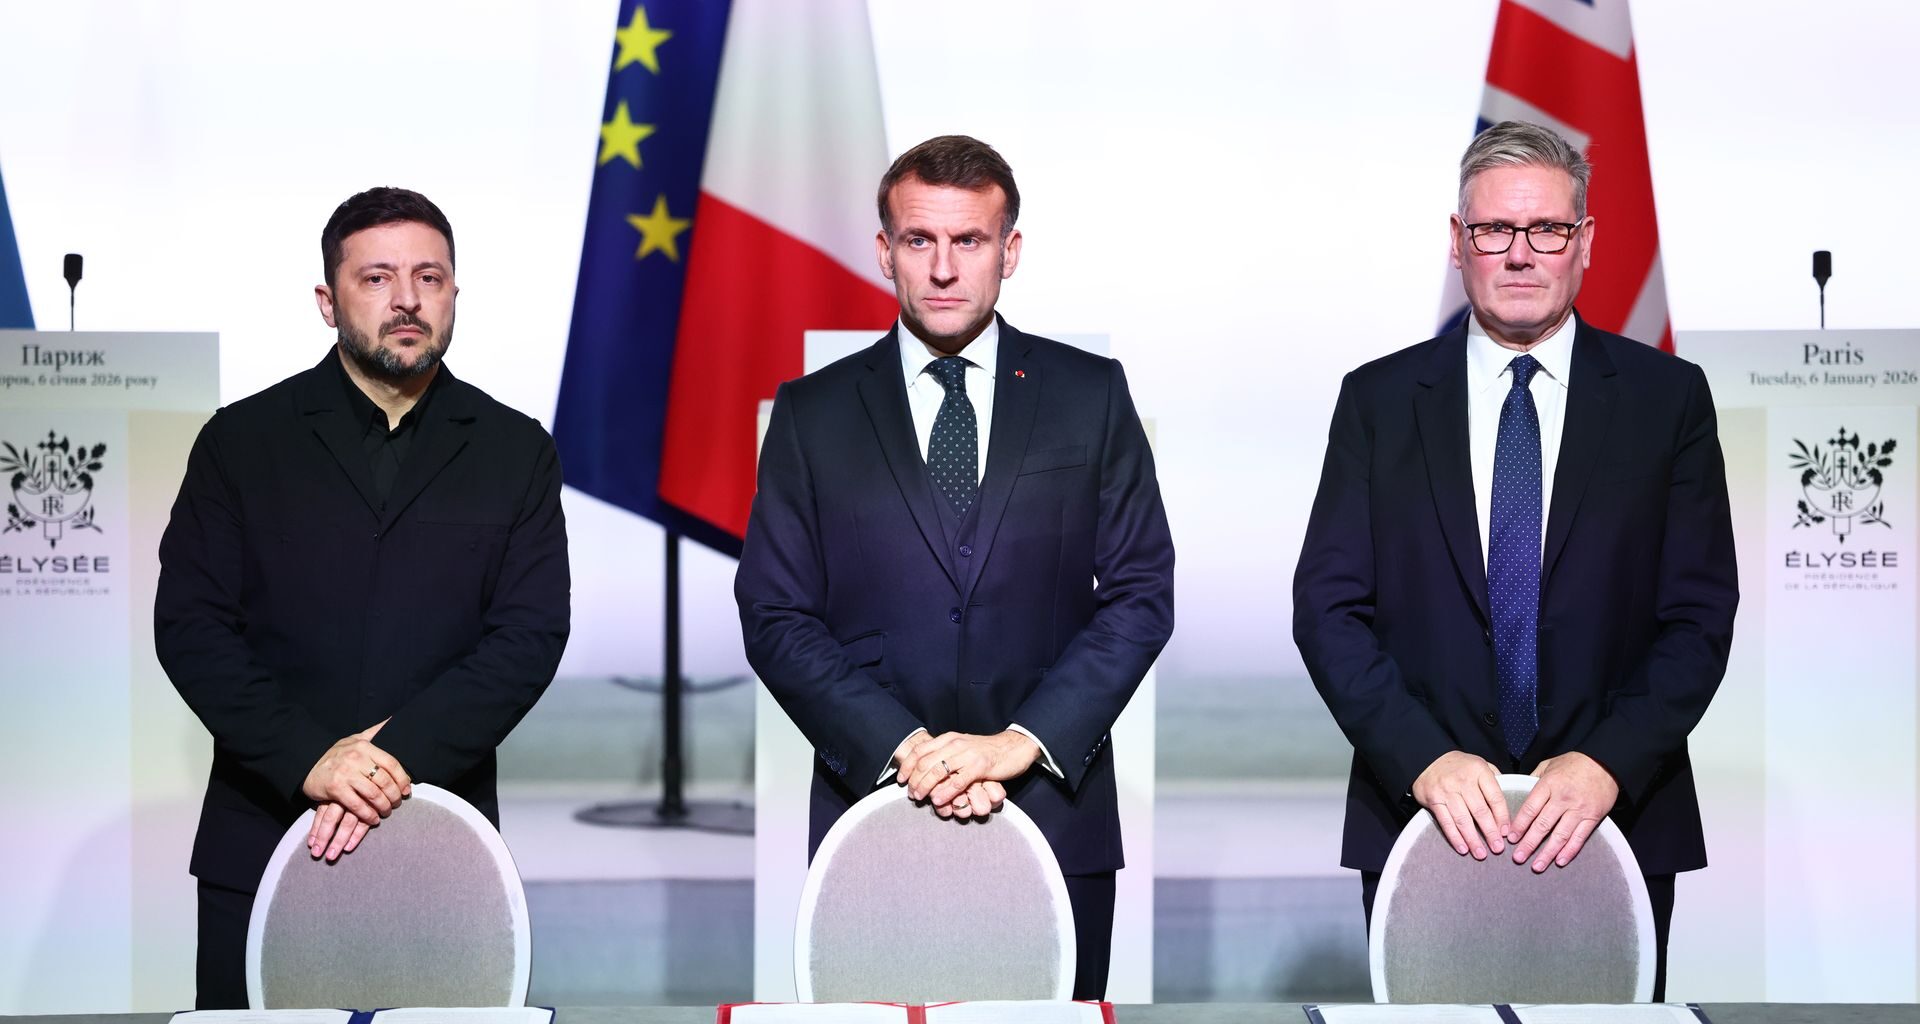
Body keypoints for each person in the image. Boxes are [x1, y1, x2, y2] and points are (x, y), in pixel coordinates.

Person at [1291, 121, 1736, 999]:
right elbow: (1329, 609)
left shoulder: (1667, 400)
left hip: (1615, 818)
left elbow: (1697, 618)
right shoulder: (1378, 400)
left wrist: (1607, 761)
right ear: (1458, 244)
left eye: (1547, 231)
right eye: (1494, 231)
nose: (1521, 254)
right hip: (1426, 816)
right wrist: (1422, 757)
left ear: (1586, 243)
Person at [735, 134, 1174, 999]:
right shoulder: (812, 413)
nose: (943, 268)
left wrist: (1018, 744)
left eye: (968, 241)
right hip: (873, 808)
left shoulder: (1093, 394)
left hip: (1053, 807)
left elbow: (1139, 595)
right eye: (919, 241)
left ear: (1009, 251)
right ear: (884, 251)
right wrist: (906, 751)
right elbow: (775, 614)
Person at [155, 187, 571, 1008]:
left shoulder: (516, 449)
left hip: (442, 843)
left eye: (430, 277)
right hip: (263, 834)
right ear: (327, 300)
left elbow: (528, 637)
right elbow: (192, 627)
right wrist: (312, 757)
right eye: (377, 278)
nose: (407, 299)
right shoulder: (240, 441)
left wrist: (390, 758)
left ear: (454, 294)